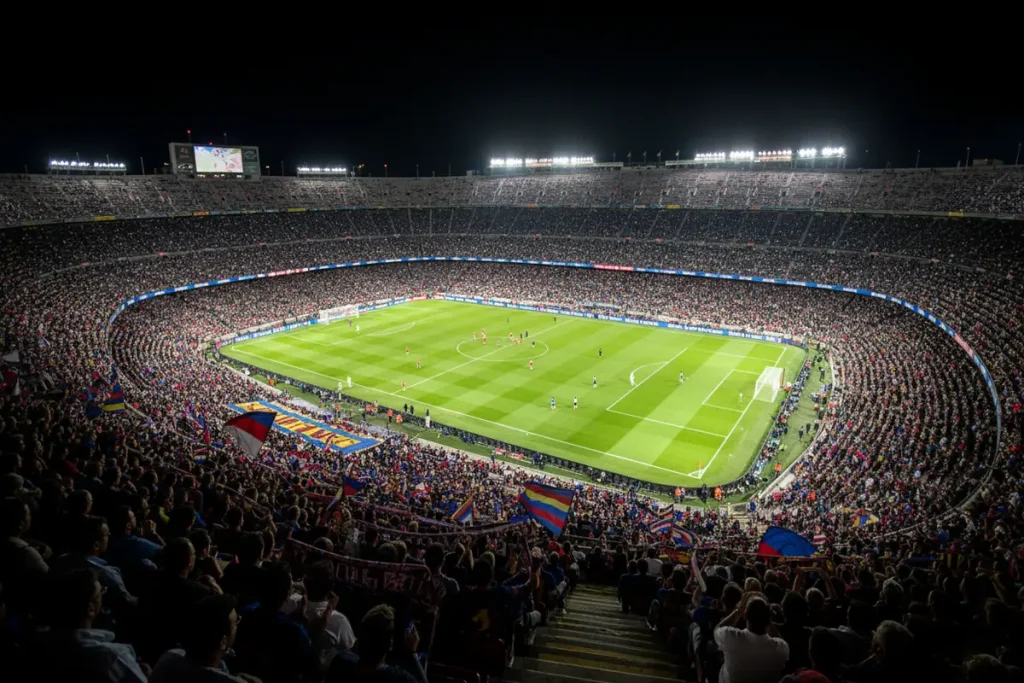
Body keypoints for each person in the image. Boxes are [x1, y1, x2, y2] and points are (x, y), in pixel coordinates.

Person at [714, 594, 789, 683]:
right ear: (768, 619)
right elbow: (784, 645)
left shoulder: (731, 638)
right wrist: (768, 619)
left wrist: (738, 610)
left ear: (745, 615)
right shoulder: (779, 648)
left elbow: (717, 629)